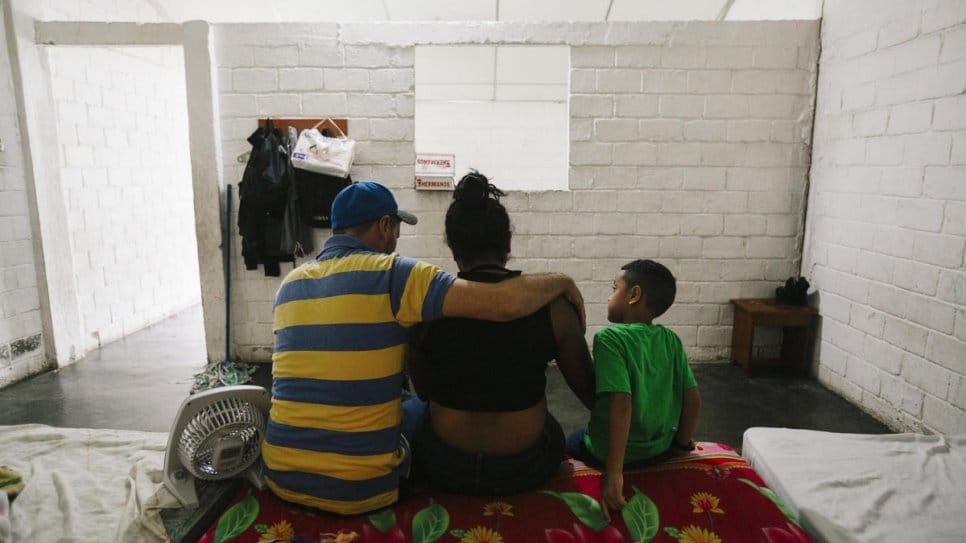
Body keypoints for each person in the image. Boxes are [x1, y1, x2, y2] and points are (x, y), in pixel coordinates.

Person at [261, 180, 586, 516]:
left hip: (281, 474)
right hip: (363, 488)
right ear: (384, 226)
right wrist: (562, 280)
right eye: (397, 228)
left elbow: (425, 387)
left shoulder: (289, 285)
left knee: (416, 406)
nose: (396, 239)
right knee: (420, 408)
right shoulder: (396, 275)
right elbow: (502, 302)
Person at [407, 171, 595, 495]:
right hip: (524, 467)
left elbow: (424, 391)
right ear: (508, 242)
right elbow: (590, 393)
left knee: (414, 412)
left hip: (445, 466)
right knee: (553, 427)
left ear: (453, 248)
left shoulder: (426, 310)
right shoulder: (555, 309)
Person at [566, 259, 701, 520]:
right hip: (659, 451)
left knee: (572, 440)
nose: (609, 296)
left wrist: (614, 472)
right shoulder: (671, 340)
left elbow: (621, 402)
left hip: (613, 454)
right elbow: (693, 399)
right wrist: (681, 446)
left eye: (614, 288)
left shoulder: (610, 339)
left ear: (634, 295)